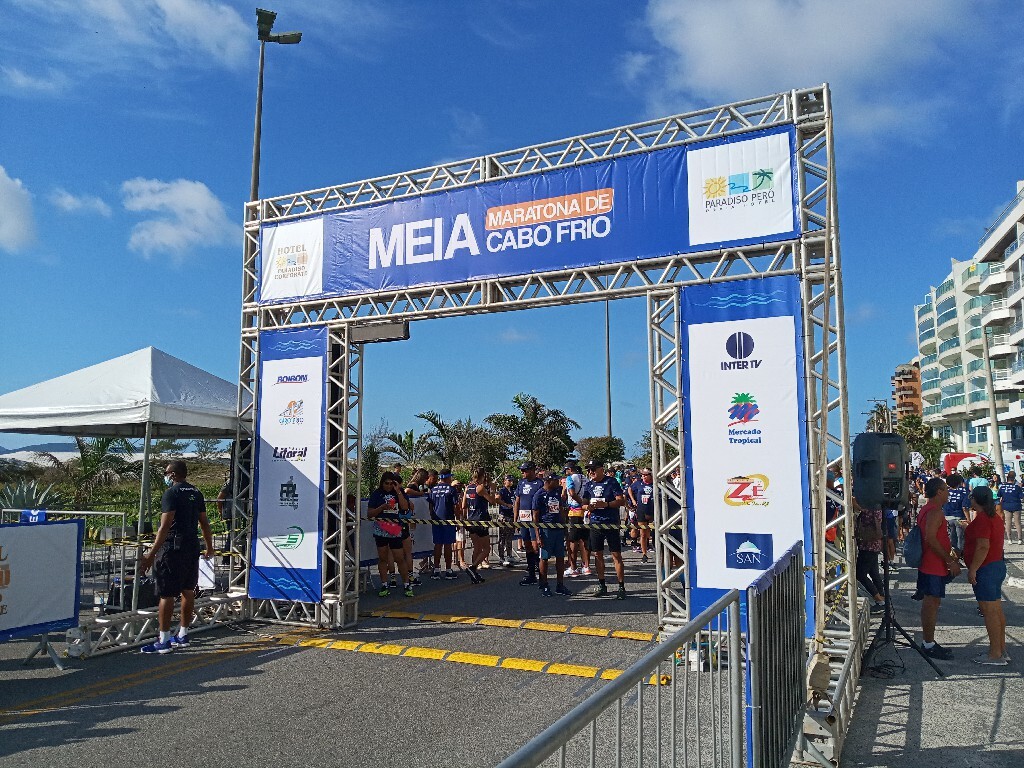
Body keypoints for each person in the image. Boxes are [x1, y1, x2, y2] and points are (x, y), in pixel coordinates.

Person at [139, 461, 215, 654]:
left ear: (172, 475)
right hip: (192, 545)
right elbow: (204, 523)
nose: (165, 476)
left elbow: (165, 527)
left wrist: (151, 554)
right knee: (188, 590)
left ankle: (163, 640)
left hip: (173, 547)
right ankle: (182, 634)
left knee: (167, 593)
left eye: (166, 473)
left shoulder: (171, 493)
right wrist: (210, 546)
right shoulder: (196, 492)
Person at [915, 477, 960, 661]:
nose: (949, 493)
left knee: (932, 603)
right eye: (946, 489)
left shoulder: (928, 510)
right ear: (939, 492)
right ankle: (928, 643)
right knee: (931, 604)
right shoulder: (934, 511)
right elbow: (931, 538)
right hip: (933, 565)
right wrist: (950, 561)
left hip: (930, 564)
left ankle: (929, 642)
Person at [964, 486, 1009, 665]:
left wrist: (973, 568)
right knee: (996, 610)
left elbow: (983, 546)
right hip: (996, 565)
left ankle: (995, 654)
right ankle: (1000, 648)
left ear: (976, 499)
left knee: (989, 611)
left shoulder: (983, 519)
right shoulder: (993, 517)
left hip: (986, 568)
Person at [581, 459, 627, 599]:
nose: (590, 472)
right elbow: (583, 504)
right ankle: (602, 585)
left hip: (611, 522)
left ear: (601, 469)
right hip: (595, 523)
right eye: (588, 470)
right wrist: (588, 507)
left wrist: (605, 504)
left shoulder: (611, 482)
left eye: (593, 469)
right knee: (597, 554)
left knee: (616, 555)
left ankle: (621, 586)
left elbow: (621, 500)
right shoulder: (589, 485)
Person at [367, 472, 413, 597]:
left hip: (395, 529)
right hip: (381, 529)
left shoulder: (398, 492)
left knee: (399, 558)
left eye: (391, 483)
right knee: (383, 558)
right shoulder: (377, 494)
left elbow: (405, 508)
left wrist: (398, 491)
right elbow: (369, 514)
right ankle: (384, 585)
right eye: (386, 483)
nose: (388, 486)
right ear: (382, 483)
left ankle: (406, 584)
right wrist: (381, 507)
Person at [534, 472, 572, 597]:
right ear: (549, 481)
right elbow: (535, 516)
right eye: (556, 480)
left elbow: (560, 509)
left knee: (560, 558)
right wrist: (538, 536)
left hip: (558, 529)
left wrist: (565, 528)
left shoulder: (557, 492)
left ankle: (560, 585)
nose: (558, 482)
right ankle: (544, 584)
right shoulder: (539, 495)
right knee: (544, 558)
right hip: (546, 530)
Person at [466, 467, 501, 583]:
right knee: (486, 549)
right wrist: (493, 490)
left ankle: (474, 572)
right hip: (480, 520)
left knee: (477, 548)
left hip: (470, 520)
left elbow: (463, 505)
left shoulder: (468, 487)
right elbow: (492, 501)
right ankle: (473, 567)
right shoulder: (480, 488)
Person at [513, 461, 544, 585]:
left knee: (536, 547)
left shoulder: (539, 483)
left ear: (532, 470)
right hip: (523, 519)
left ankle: (541, 574)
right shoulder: (521, 483)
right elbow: (517, 501)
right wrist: (515, 520)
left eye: (524, 470)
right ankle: (531, 574)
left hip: (535, 520)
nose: (522, 473)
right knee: (528, 547)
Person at [854, 504, 886, 613]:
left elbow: (861, 509)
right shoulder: (877, 506)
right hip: (874, 544)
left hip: (868, 544)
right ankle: (882, 600)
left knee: (860, 574)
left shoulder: (870, 507)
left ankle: (879, 599)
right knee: (874, 573)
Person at [429, 470, 460, 579]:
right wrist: (458, 520)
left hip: (436, 520)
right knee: (447, 545)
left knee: (437, 544)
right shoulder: (451, 489)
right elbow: (456, 506)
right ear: (448, 477)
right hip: (448, 520)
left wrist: (433, 517)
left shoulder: (433, 489)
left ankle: (436, 570)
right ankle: (448, 570)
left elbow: (430, 506)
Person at [563, 462, 591, 577]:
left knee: (572, 541)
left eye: (566, 470)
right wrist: (585, 504)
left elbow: (571, 493)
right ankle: (586, 566)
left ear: (570, 469)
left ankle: (573, 567)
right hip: (585, 512)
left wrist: (579, 503)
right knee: (584, 540)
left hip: (574, 511)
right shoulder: (585, 478)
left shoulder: (570, 478)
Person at [628, 468, 655, 563]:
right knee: (642, 533)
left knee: (654, 533)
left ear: (651, 475)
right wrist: (633, 500)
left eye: (646, 474)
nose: (643, 476)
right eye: (642, 474)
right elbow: (629, 489)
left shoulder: (656, 483)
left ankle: (659, 551)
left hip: (653, 510)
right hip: (641, 510)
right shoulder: (638, 483)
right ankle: (644, 554)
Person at [942, 473, 970, 556]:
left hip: (947, 517)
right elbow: (965, 507)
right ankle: (959, 556)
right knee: (960, 538)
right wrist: (968, 519)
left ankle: (952, 556)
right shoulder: (964, 491)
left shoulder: (945, 491)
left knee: (951, 538)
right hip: (959, 517)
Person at [496, 474, 517, 566]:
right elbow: (497, 499)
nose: (511, 482)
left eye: (512, 480)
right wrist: (505, 504)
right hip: (504, 515)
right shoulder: (502, 490)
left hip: (511, 516)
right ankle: (501, 557)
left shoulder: (512, 491)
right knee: (502, 537)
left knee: (509, 537)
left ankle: (509, 555)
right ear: (504, 481)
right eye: (509, 480)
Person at [1000, 471, 1023, 545]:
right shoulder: (1017, 487)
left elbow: (999, 495)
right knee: (1018, 523)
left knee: (1008, 522)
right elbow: (1021, 497)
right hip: (1016, 505)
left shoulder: (1003, 487)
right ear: (1014, 479)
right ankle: (1020, 539)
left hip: (1006, 506)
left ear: (1007, 478)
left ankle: (1010, 539)